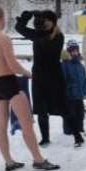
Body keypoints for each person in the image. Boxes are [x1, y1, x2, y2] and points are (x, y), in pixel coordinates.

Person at [0, 3, 60, 171]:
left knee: (1, 124)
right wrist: (28, 73)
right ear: (1, 18)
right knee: (26, 123)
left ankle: (9, 161)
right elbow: (13, 66)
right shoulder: (3, 38)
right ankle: (38, 159)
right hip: (9, 82)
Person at [15, 9, 69, 145]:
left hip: (55, 77)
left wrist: (37, 32)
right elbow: (19, 28)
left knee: (63, 108)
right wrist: (25, 18)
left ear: (53, 22)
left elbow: (49, 48)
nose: (43, 23)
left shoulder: (58, 36)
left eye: (46, 20)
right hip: (39, 77)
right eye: (42, 20)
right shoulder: (38, 34)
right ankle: (45, 138)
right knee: (41, 110)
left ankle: (77, 135)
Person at [61, 39, 86, 147]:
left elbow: (84, 79)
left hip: (79, 95)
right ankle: (69, 130)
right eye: (72, 51)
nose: (74, 53)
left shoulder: (80, 65)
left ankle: (80, 128)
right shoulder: (64, 65)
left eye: (76, 50)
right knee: (71, 114)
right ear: (68, 52)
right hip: (69, 95)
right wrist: (67, 90)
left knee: (80, 113)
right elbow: (63, 80)